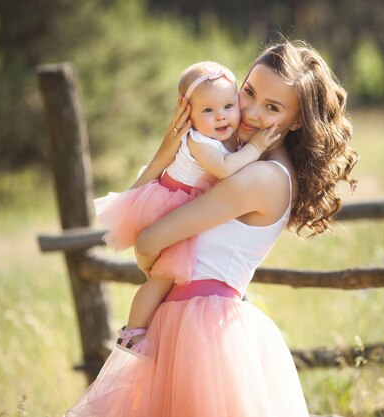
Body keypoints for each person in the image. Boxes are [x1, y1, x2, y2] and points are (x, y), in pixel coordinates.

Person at [65, 40, 358, 417]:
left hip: (201, 330)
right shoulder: (234, 156)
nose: (250, 112)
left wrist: (151, 261)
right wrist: (169, 148)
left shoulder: (261, 177)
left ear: (296, 120)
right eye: (248, 92)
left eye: (272, 107)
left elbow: (148, 240)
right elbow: (135, 203)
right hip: (187, 320)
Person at [93, 61, 279, 355]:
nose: (221, 116)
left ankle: (142, 327)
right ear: (187, 115)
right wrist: (256, 147)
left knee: (166, 275)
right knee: (162, 277)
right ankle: (133, 331)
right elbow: (224, 169)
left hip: (184, 202)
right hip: (169, 202)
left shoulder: (222, 135)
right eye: (207, 111)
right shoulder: (198, 140)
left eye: (229, 106)